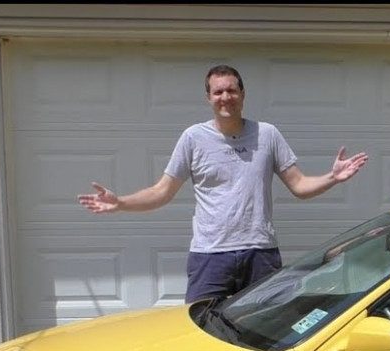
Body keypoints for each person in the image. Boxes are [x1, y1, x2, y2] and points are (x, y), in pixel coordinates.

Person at [77, 64, 368, 304]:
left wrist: (333, 177)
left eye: (231, 90)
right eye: (218, 92)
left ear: (242, 94)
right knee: (199, 328)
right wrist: (121, 203)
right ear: (209, 98)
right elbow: (161, 191)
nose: (225, 97)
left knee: (267, 329)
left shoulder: (267, 135)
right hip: (210, 255)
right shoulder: (193, 138)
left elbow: (300, 185)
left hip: (260, 252)